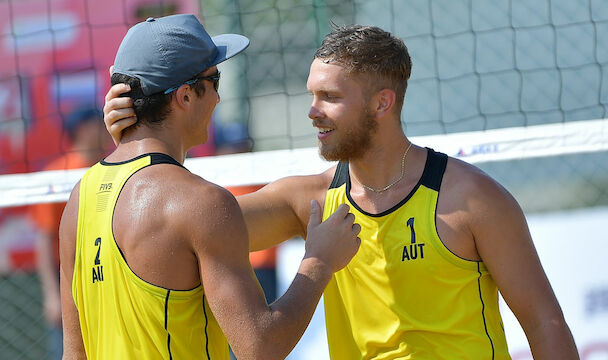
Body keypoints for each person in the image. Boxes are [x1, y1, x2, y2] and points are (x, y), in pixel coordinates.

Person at [103, 23, 579, 359]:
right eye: (312, 94)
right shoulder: (307, 200)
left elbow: (545, 324)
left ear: (382, 103)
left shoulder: (472, 199)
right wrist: (143, 138)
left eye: (329, 97)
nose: (312, 111)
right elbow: (179, 224)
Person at [59, 14, 361, 360]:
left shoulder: (79, 199)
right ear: (185, 96)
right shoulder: (200, 203)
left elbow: (74, 354)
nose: (218, 98)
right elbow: (260, 346)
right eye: (213, 80)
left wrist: (132, 144)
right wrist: (319, 261)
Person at [29, 107, 106, 359]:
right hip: (71, 286)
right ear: (83, 130)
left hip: (107, 282)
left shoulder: (112, 168)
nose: (106, 128)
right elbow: (43, 239)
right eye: (100, 123)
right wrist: (52, 295)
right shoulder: (57, 175)